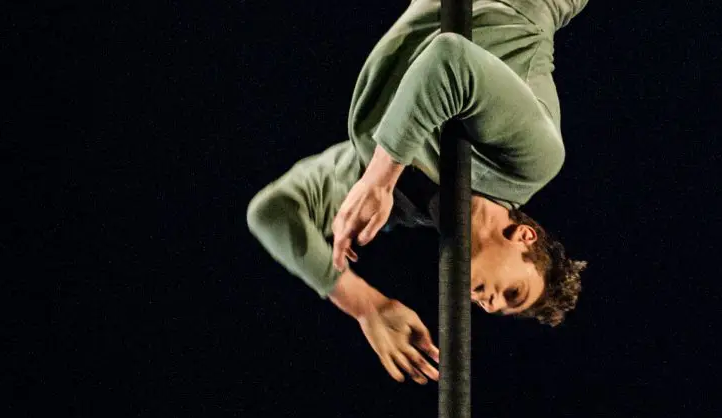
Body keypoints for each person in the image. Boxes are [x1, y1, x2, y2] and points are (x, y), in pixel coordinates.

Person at [246, 0, 589, 385]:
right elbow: (450, 59)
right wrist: (379, 179)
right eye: (514, 292)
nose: (491, 306)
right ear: (525, 236)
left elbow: (274, 211)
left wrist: (367, 306)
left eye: (501, 308)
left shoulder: (407, 200)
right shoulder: (531, 164)